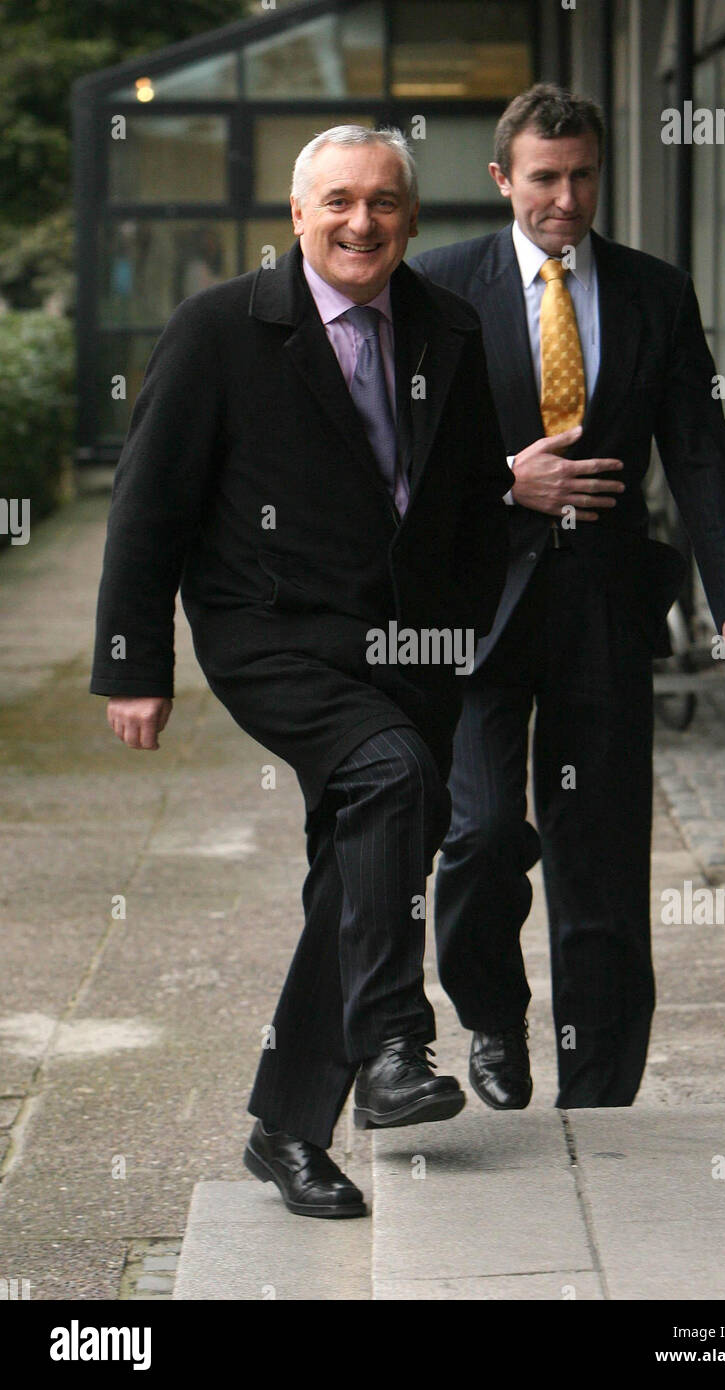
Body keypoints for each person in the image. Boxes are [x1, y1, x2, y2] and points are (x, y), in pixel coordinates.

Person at [90, 126, 512, 1219]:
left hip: (409, 647)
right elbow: (148, 504)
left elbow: (468, 503)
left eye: (382, 202)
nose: (360, 222)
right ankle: (392, 1044)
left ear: (411, 219)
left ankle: (285, 1129)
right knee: (391, 779)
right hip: (269, 632)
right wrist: (134, 663)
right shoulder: (221, 329)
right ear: (296, 214)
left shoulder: (448, 328)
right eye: (337, 201)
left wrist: (455, 636)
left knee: (362, 866)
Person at [411, 85, 725, 1112]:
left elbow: (701, 451)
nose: (565, 198)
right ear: (502, 180)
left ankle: (601, 1099)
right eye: (544, 177)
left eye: (582, 177)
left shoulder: (656, 291)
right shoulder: (438, 288)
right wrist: (503, 482)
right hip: (475, 616)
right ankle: (491, 1013)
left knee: (603, 865)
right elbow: (397, 460)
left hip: (604, 615)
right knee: (479, 838)